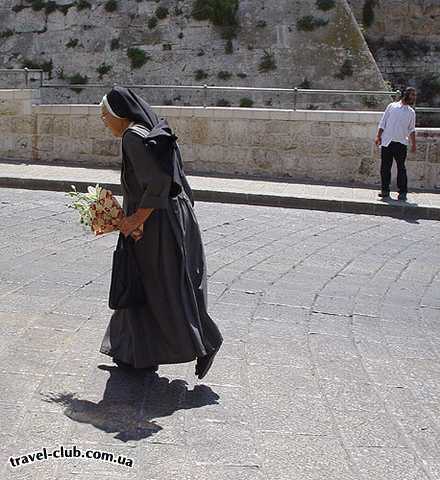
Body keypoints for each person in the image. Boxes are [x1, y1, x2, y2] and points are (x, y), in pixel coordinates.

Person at [98, 86, 223, 380]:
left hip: (158, 224)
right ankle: (132, 352)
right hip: (172, 218)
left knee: (159, 286)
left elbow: (157, 183)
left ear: (119, 115)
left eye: (105, 115)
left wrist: (136, 220)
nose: (104, 121)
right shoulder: (148, 129)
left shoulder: (132, 136)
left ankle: (206, 342)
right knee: (141, 282)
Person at [375, 87, 417, 201]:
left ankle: (402, 192)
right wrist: (378, 136)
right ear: (405, 95)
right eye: (412, 95)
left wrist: (413, 144)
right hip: (387, 142)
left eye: (414, 95)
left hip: (401, 143)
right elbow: (383, 122)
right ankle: (385, 191)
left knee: (401, 168)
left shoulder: (411, 112)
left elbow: (412, 129)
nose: (414, 97)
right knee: (385, 168)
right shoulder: (391, 106)